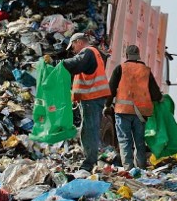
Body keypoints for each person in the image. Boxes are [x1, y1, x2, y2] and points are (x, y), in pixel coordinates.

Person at [60, 32, 111, 171]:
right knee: (89, 128)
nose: (73, 50)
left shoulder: (88, 52)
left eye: (73, 46)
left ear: (79, 42)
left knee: (89, 129)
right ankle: (90, 160)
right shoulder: (95, 53)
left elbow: (77, 64)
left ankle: (89, 163)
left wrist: (60, 64)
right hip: (92, 97)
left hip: (92, 97)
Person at [106, 45, 162, 170]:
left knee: (125, 141)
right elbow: (155, 93)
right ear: (138, 55)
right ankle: (141, 167)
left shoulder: (120, 69)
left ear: (126, 56)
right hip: (141, 114)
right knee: (139, 141)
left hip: (122, 111)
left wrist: (107, 105)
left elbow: (111, 90)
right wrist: (160, 100)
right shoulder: (146, 70)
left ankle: (128, 169)